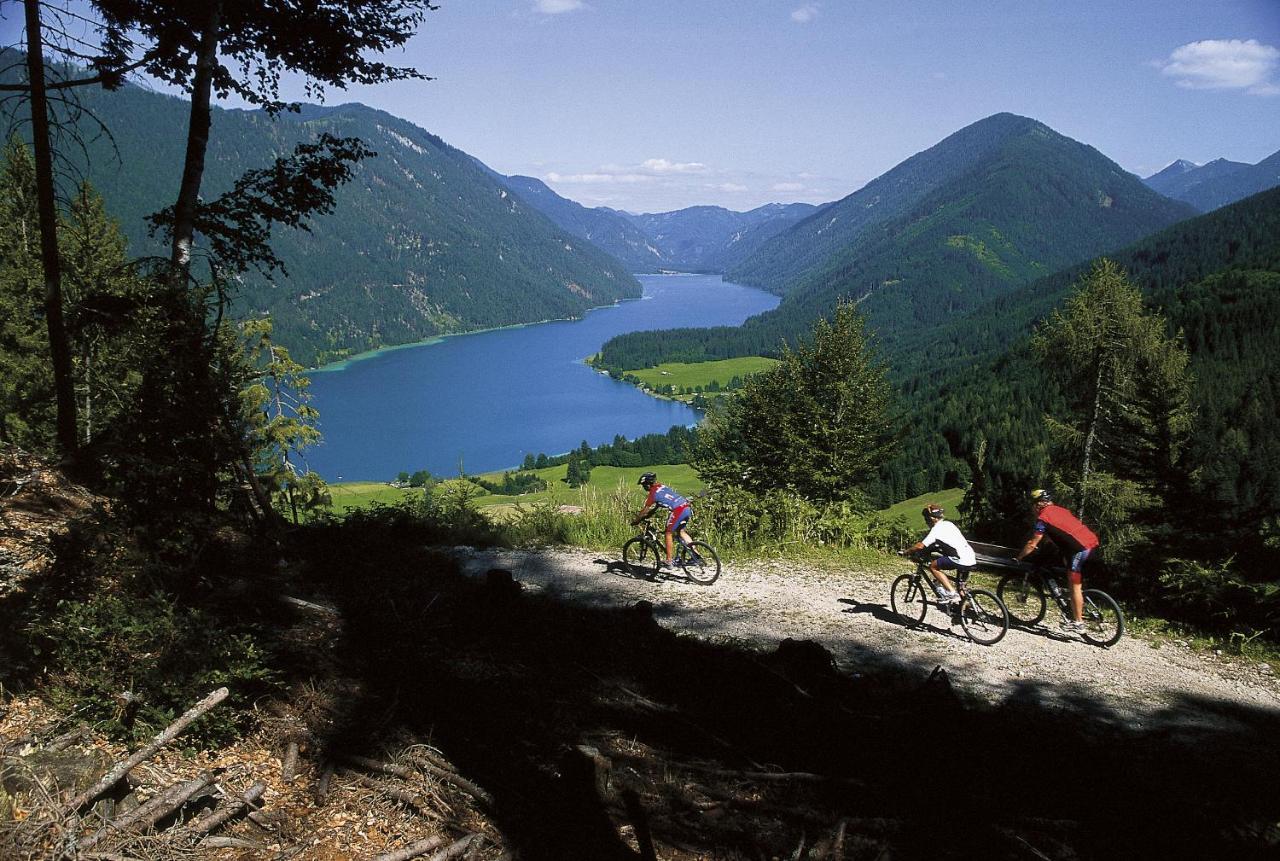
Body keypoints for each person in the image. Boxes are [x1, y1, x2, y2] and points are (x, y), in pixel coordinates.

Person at [1015, 488, 1100, 634]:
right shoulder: (1061, 510)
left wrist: (1019, 557)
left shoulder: (1043, 518)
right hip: (1089, 544)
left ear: (1038, 505)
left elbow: (1032, 544)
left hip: (1081, 549)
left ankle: (1078, 623)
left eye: (1033, 505)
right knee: (1063, 565)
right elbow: (1059, 534)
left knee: (1074, 584)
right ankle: (1073, 602)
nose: (1032, 508)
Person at [901, 503, 976, 604]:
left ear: (932, 518)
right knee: (960, 586)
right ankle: (965, 610)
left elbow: (920, 546)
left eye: (926, 519)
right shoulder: (949, 524)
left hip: (960, 558)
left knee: (933, 567)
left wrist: (906, 552)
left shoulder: (936, 529)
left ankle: (951, 593)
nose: (926, 522)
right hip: (970, 558)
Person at [632, 472, 696, 569]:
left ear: (648, 484)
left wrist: (637, 520)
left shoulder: (653, 493)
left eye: (644, 485)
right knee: (681, 531)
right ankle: (696, 556)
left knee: (668, 533)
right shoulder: (662, 486)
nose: (644, 488)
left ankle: (669, 561)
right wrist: (650, 514)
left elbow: (645, 510)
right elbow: (658, 505)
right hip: (686, 507)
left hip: (678, 510)